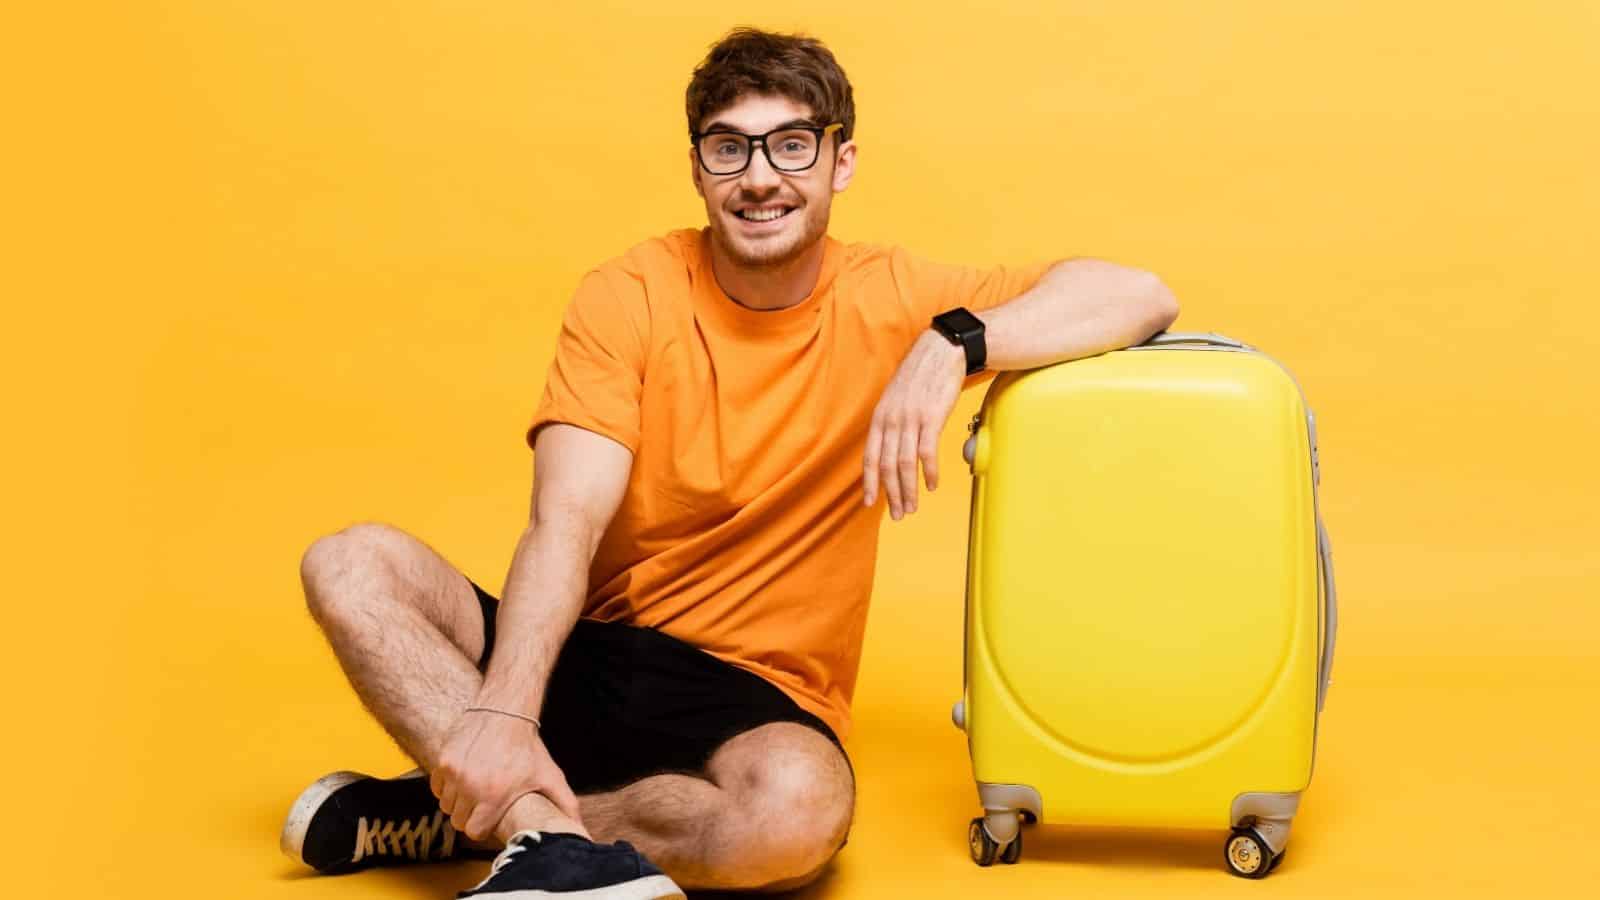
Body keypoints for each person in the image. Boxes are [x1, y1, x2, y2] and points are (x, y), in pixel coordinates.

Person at [281, 26, 1179, 900]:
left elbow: (1139, 293)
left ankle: (481, 814)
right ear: (697, 167)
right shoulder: (628, 293)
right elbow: (566, 521)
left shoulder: (898, 297)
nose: (759, 179)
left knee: (797, 818)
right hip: (588, 654)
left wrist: (956, 346)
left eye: (791, 146)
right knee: (352, 563)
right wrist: (507, 712)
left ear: (842, 162)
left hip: (756, 697)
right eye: (729, 148)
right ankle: (526, 815)